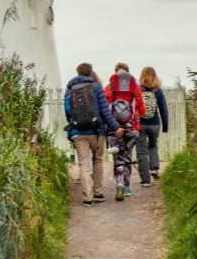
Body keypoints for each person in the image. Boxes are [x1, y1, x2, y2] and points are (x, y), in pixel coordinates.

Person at [64, 62, 124, 206]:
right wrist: (116, 127)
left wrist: (73, 126)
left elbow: (68, 112)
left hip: (78, 132)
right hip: (97, 131)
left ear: (77, 72)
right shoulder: (96, 87)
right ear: (90, 72)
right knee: (97, 160)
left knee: (83, 164)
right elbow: (105, 110)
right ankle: (98, 192)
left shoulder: (69, 90)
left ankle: (87, 197)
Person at [103, 63, 146, 199]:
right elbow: (143, 110)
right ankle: (127, 187)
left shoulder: (109, 88)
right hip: (132, 128)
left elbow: (104, 109)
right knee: (127, 156)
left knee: (118, 158)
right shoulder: (136, 89)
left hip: (114, 129)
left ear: (115, 73)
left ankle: (119, 183)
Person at [137, 66, 170, 184]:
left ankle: (145, 180)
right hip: (155, 124)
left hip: (140, 124)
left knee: (141, 151)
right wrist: (165, 126)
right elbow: (163, 109)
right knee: (153, 146)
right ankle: (154, 168)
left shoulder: (138, 90)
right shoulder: (158, 91)